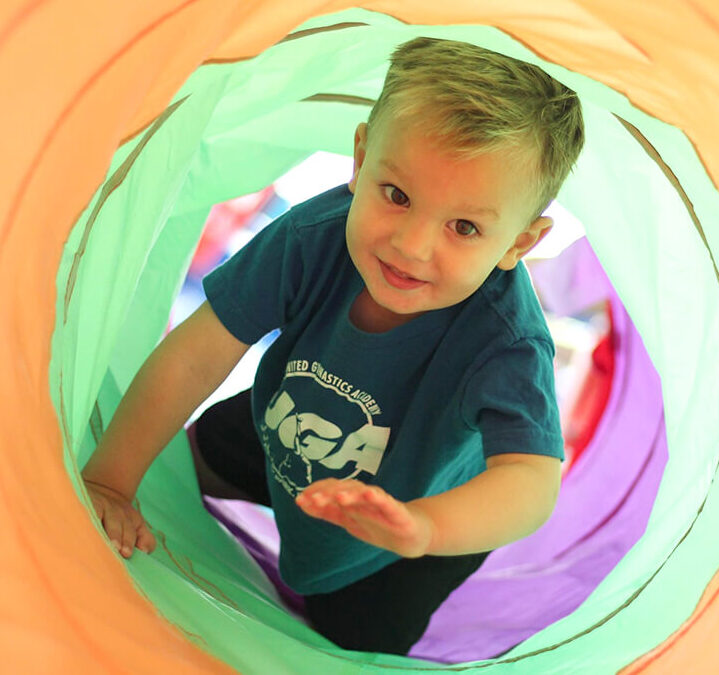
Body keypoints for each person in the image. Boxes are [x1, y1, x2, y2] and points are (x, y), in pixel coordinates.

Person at [82, 37, 585, 655]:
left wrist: (426, 528)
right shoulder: (312, 237)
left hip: (407, 522)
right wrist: (111, 483)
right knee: (185, 467)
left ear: (519, 243)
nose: (411, 246)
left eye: (464, 227)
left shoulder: (507, 340)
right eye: (397, 195)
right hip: (283, 428)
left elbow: (531, 482)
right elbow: (194, 354)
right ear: (361, 158)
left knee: (350, 641)